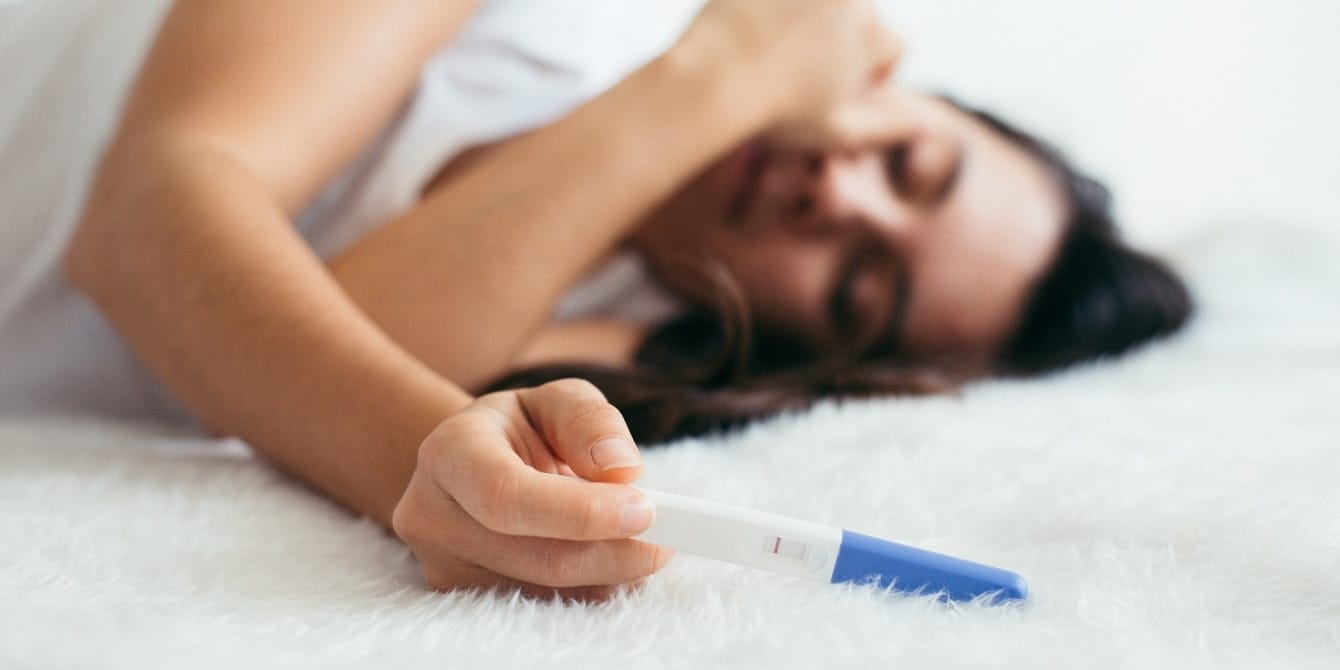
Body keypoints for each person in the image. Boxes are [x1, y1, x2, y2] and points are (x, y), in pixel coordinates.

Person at [0, 0, 1190, 600]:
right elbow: (152, 214)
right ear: (884, 71)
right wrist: (713, 74)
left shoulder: (631, 328)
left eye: (857, 288)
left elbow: (310, 348)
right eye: (906, 162)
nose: (844, 203)